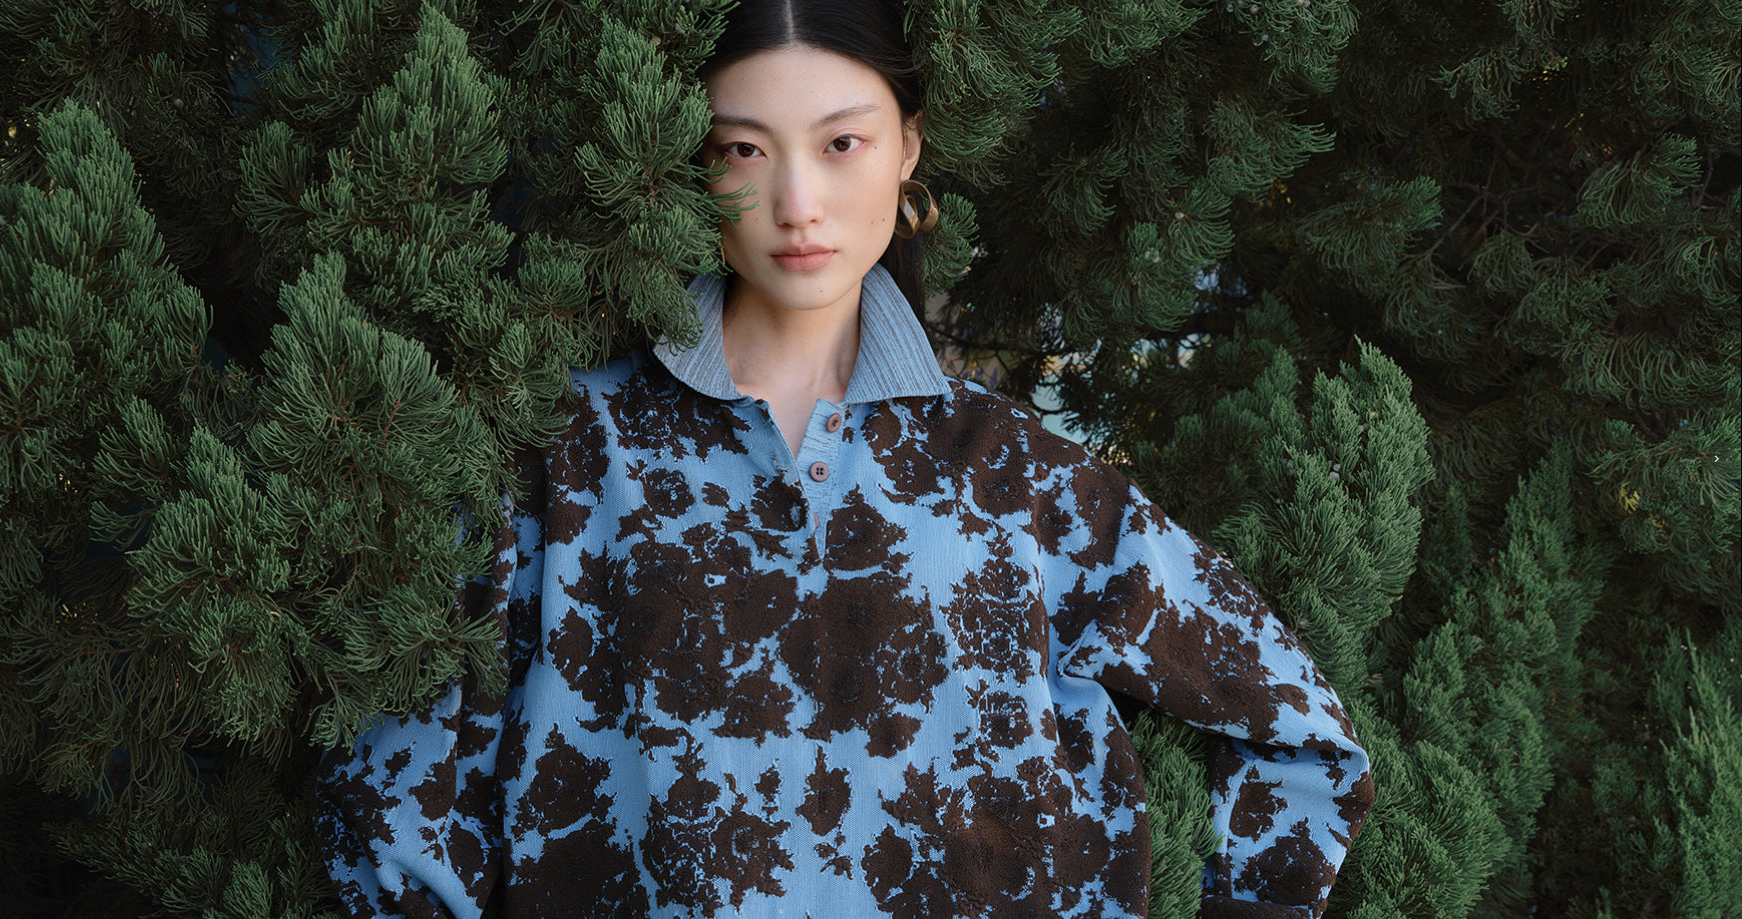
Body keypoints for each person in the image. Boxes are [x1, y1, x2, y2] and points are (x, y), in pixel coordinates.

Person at [315, 1, 1373, 916]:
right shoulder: (565, 454)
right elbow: (392, 785)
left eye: (841, 143)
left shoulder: (1023, 479)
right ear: (689, 164)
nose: (797, 205)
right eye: (743, 149)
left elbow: (1302, 733)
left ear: (908, 147)